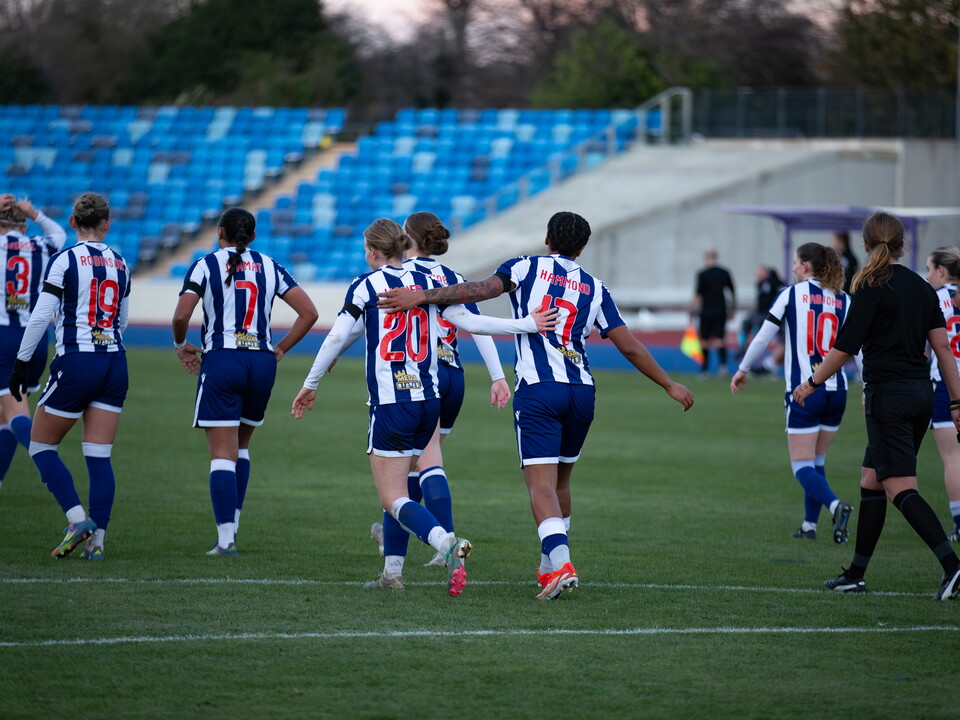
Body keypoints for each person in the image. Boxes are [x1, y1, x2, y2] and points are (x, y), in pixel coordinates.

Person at [377, 211, 695, 600]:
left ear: (548, 237)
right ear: (581, 248)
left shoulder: (525, 267)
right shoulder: (594, 287)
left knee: (539, 486)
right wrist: (668, 384)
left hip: (539, 388)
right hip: (581, 390)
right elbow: (627, 343)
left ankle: (560, 562)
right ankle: (548, 566)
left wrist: (422, 295)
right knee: (562, 481)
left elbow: (478, 291)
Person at [291, 218, 556, 596]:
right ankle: (392, 573)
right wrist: (526, 324)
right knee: (407, 481)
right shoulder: (432, 285)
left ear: (371, 252)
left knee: (391, 494)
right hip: (428, 397)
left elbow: (338, 335)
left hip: (392, 400)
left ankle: (446, 543)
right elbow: (472, 322)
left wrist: (311, 382)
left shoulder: (367, 285)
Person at [794, 212, 960, 600]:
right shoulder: (922, 288)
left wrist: (811, 382)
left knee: (900, 487)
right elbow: (943, 350)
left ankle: (953, 567)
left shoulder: (869, 284)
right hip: (920, 394)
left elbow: (844, 349)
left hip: (889, 398)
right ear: (902, 245)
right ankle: (855, 573)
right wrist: (956, 400)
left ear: (866, 244)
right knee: (872, 478)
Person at [369, 211, 513, 572]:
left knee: (414, 464)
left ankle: (434, 540)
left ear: (407, 238)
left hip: (420, 376)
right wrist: (497, 376)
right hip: (455, 376)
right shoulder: (452, 277)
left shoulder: (405, 274)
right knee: (424, 462)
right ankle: (424, 536)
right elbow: (475, 324)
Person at [172, 207, 318, 557]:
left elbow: (181, 314)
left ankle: (225, 541)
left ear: (219, 231)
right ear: (252, 236)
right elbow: (309, 313)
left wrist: (180, 345)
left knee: (222, 455)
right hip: (261, 362)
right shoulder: (270, 265)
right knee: (241, 448)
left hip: (224, 359)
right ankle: (232, 528)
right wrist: (279, 348)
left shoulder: (206, 264)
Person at [8, 192, 129, 560]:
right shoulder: (121, 261)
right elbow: (122, 320)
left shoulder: (65, 260)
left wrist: (21, 363)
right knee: (99, 455)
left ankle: (77, 518)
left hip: (78, 360)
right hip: (114, 361)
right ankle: (98, 545)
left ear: (74, 222)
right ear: (107, 224)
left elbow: (40, 315)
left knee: (42, 445)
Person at [731, 243, 854, 542]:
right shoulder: (844, 299)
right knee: (817, 462)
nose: (794, 269)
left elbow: (763, 337)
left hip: (804, 390)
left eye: (797, 263)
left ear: (807, 266)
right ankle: (809, 526)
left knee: (801, 466)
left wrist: (743, 369)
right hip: (838, 391)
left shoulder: (790, 294)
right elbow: (857, 348)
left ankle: (836, 506)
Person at [0, 194, 67, 488]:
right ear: (24, 227)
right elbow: (59, 233)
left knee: (16, 414)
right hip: (36, 340)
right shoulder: (41, 246)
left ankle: (49, 461)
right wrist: (34, 212)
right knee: (5, 416)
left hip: (4, 335)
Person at [924, 247, 960, 543]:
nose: (927, 276)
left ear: (941, 271)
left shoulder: (934, 299)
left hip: (947, 387)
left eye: (929, 269)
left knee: (953, 459)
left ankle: (959, 523)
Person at [690, 249, 735, 376]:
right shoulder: (724, 272)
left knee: (704, 340)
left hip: (706, 311)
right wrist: (732, 309)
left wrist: (692, 312)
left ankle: (704, 370)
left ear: (705, 259)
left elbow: (697, 295)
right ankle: (723, 367)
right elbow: (732, 292)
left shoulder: (702, 274)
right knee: (720, 339)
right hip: (721, 310)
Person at [738, 265, 784, 373]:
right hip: (761, 314)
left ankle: (761, 360)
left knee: (760, 331)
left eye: (760, 272)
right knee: (746, 323)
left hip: (771, 315)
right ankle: (743, 347)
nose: (758, 275)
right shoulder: (758, 284)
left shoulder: (774, 283)